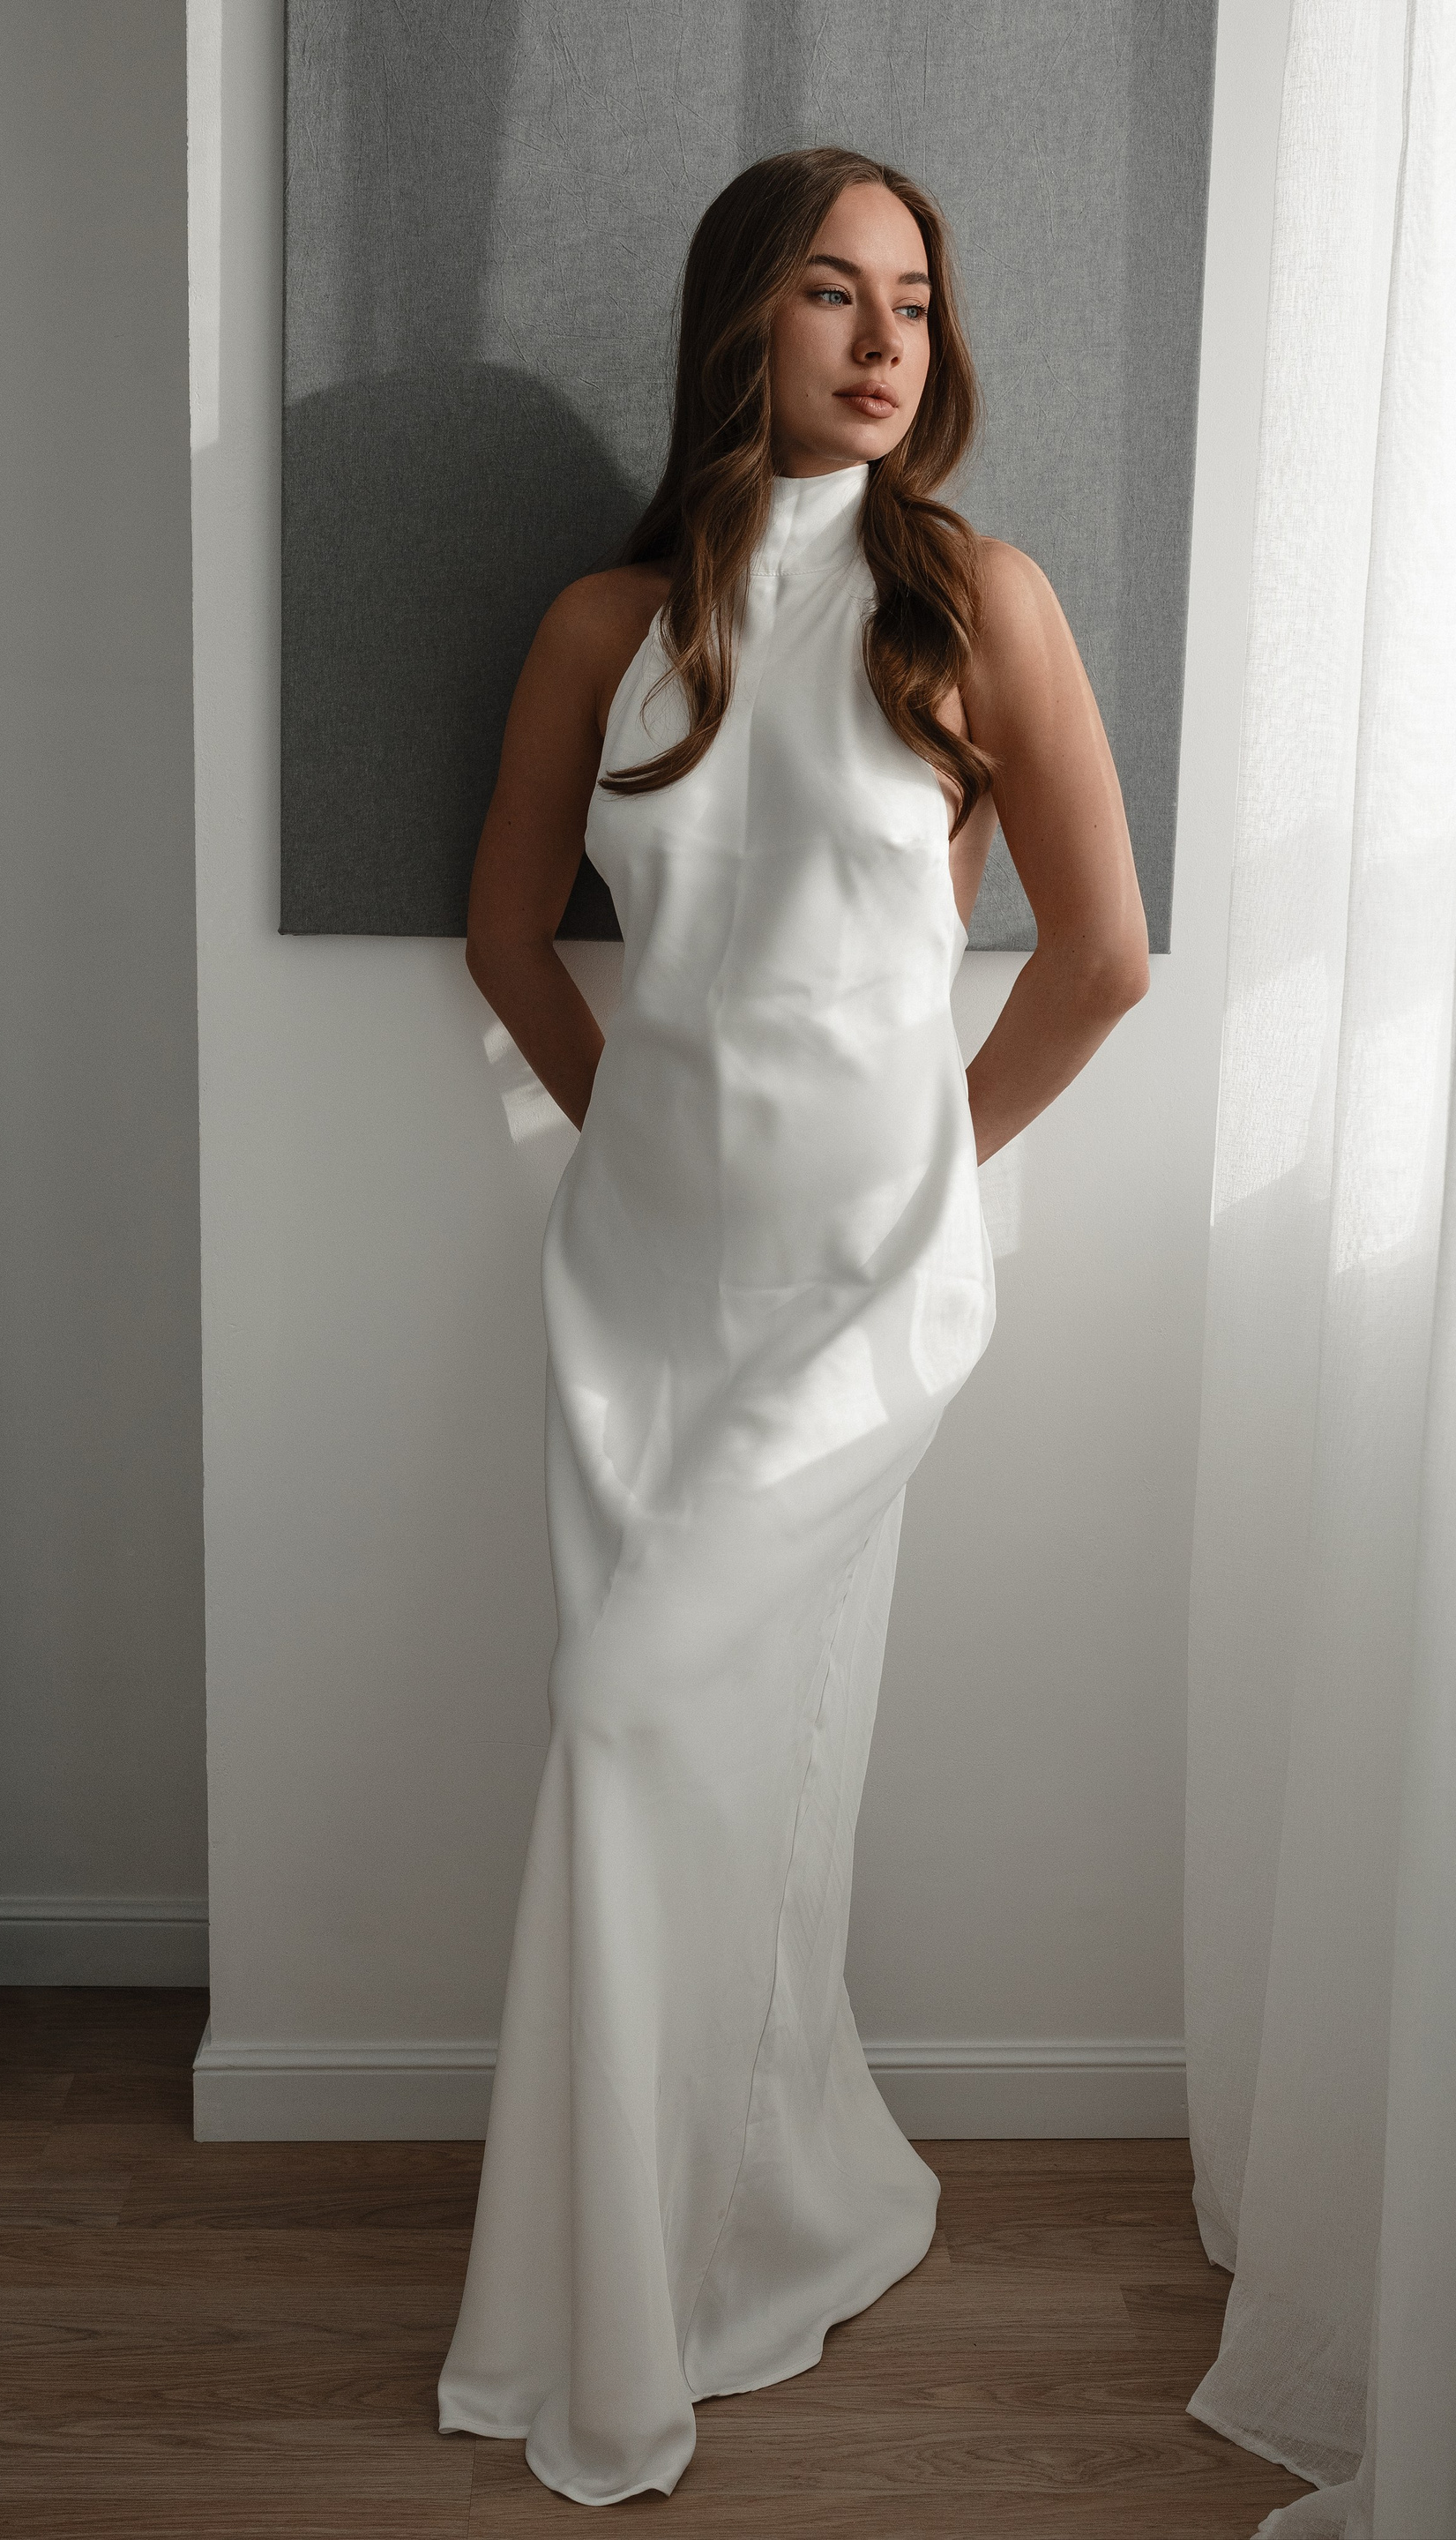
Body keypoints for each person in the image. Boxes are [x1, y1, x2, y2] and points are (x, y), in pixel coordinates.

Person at [437, 144, 1149, 2506]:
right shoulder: (604, 625)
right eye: (836, 292)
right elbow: (512, 937)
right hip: (639, 1291)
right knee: (737, 1768)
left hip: (867, 1288)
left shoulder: (979, 602)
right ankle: (764, 2200)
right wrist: (632, 1136)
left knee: (632, 1717)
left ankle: (640, 2299)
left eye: (915, 302)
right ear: (741, 316)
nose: (883, 340)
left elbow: (1101, 961)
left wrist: (928, 1174)